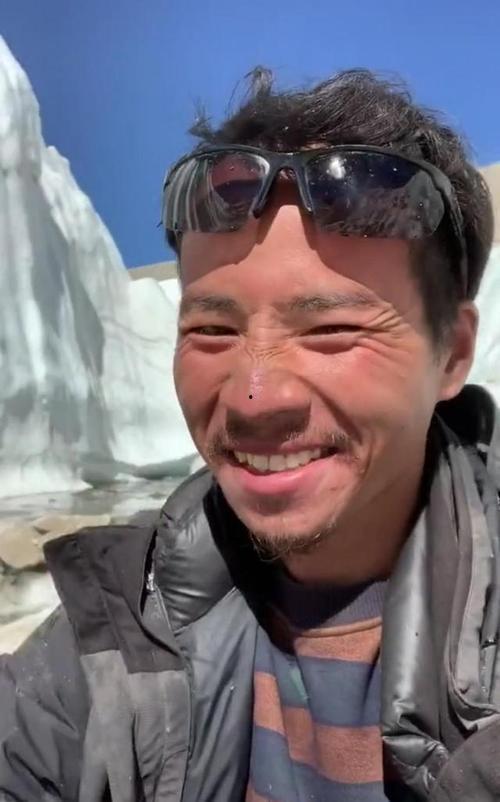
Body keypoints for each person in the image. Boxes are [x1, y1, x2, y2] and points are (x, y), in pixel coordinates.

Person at [0, 67, 499, 802]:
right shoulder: (114, 631)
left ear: (451, 354)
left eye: (331, 330)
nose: (254, 397)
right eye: (211, 329)